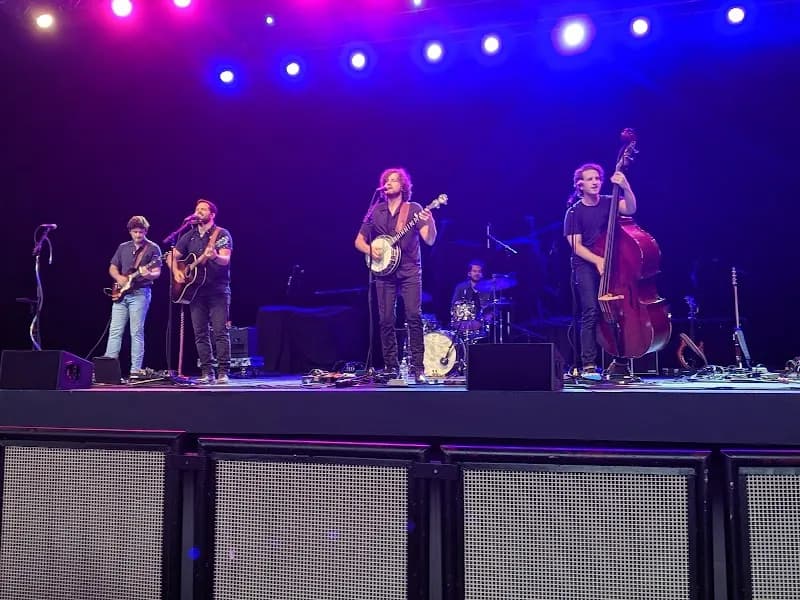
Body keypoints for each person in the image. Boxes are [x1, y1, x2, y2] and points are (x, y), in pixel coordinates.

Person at [355, 168, 437, 384]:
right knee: (386, 320)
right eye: (386, 180)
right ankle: (391, 367)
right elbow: (359, 241)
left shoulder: (414, 209)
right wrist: (371, 251)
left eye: (394, 180)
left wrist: (430, 222)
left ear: (403, 186)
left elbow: (429, 240)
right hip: (384, 272)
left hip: (410, 270)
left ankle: (418, 368)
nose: (389, 183)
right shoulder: (376, 210)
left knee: (413, 316)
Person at [563, 163, 637, 380]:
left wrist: (626, 186)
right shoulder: (574, 212)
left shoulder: (609, 202)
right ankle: (588, 363)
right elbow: (575, 245)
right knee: (591, 311)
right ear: (580, 185)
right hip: (585, 264)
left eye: (598, 178)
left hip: (610, 261)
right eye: (590, 179)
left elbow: (631, 209)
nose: (595, 182)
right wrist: (597, 260)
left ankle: (620, 359)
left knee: (616, 309)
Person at [170, 199, 233, 384]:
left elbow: (225, 260)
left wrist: (214, 256)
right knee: (200, 333)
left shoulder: (221, 234)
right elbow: (173, 257)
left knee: (220, 331)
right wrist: (177, 272)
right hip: (195, 291)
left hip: (218, 290)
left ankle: (223, 372)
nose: (199, 212)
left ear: (212, 214)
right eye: (197, 209)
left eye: (203, 209)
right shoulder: (189, 236)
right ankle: (207, 372)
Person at [103, 215, 162, 376]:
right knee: (115, 331)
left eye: (141, 232)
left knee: (136, 331)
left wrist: (147, 273)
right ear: (130, 231)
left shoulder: (153, 248)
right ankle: (108, 371)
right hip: (121, 295)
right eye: (135, 232)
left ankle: (135, 371)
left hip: (140, 293)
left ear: (146, 231)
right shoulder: (123, 247)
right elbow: (112, 268)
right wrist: (120, 278)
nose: (138, 235)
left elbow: (157, 272)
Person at [450, 259, 491, 331]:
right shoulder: (461, 287)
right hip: (464, 321)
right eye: (474, 271)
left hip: (483, 321)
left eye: (479, 271)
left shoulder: (489, 288)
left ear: (483, 274)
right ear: (469, 273)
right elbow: (454, 304)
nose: (477, 274)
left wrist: (491, 315)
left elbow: (495, 305)